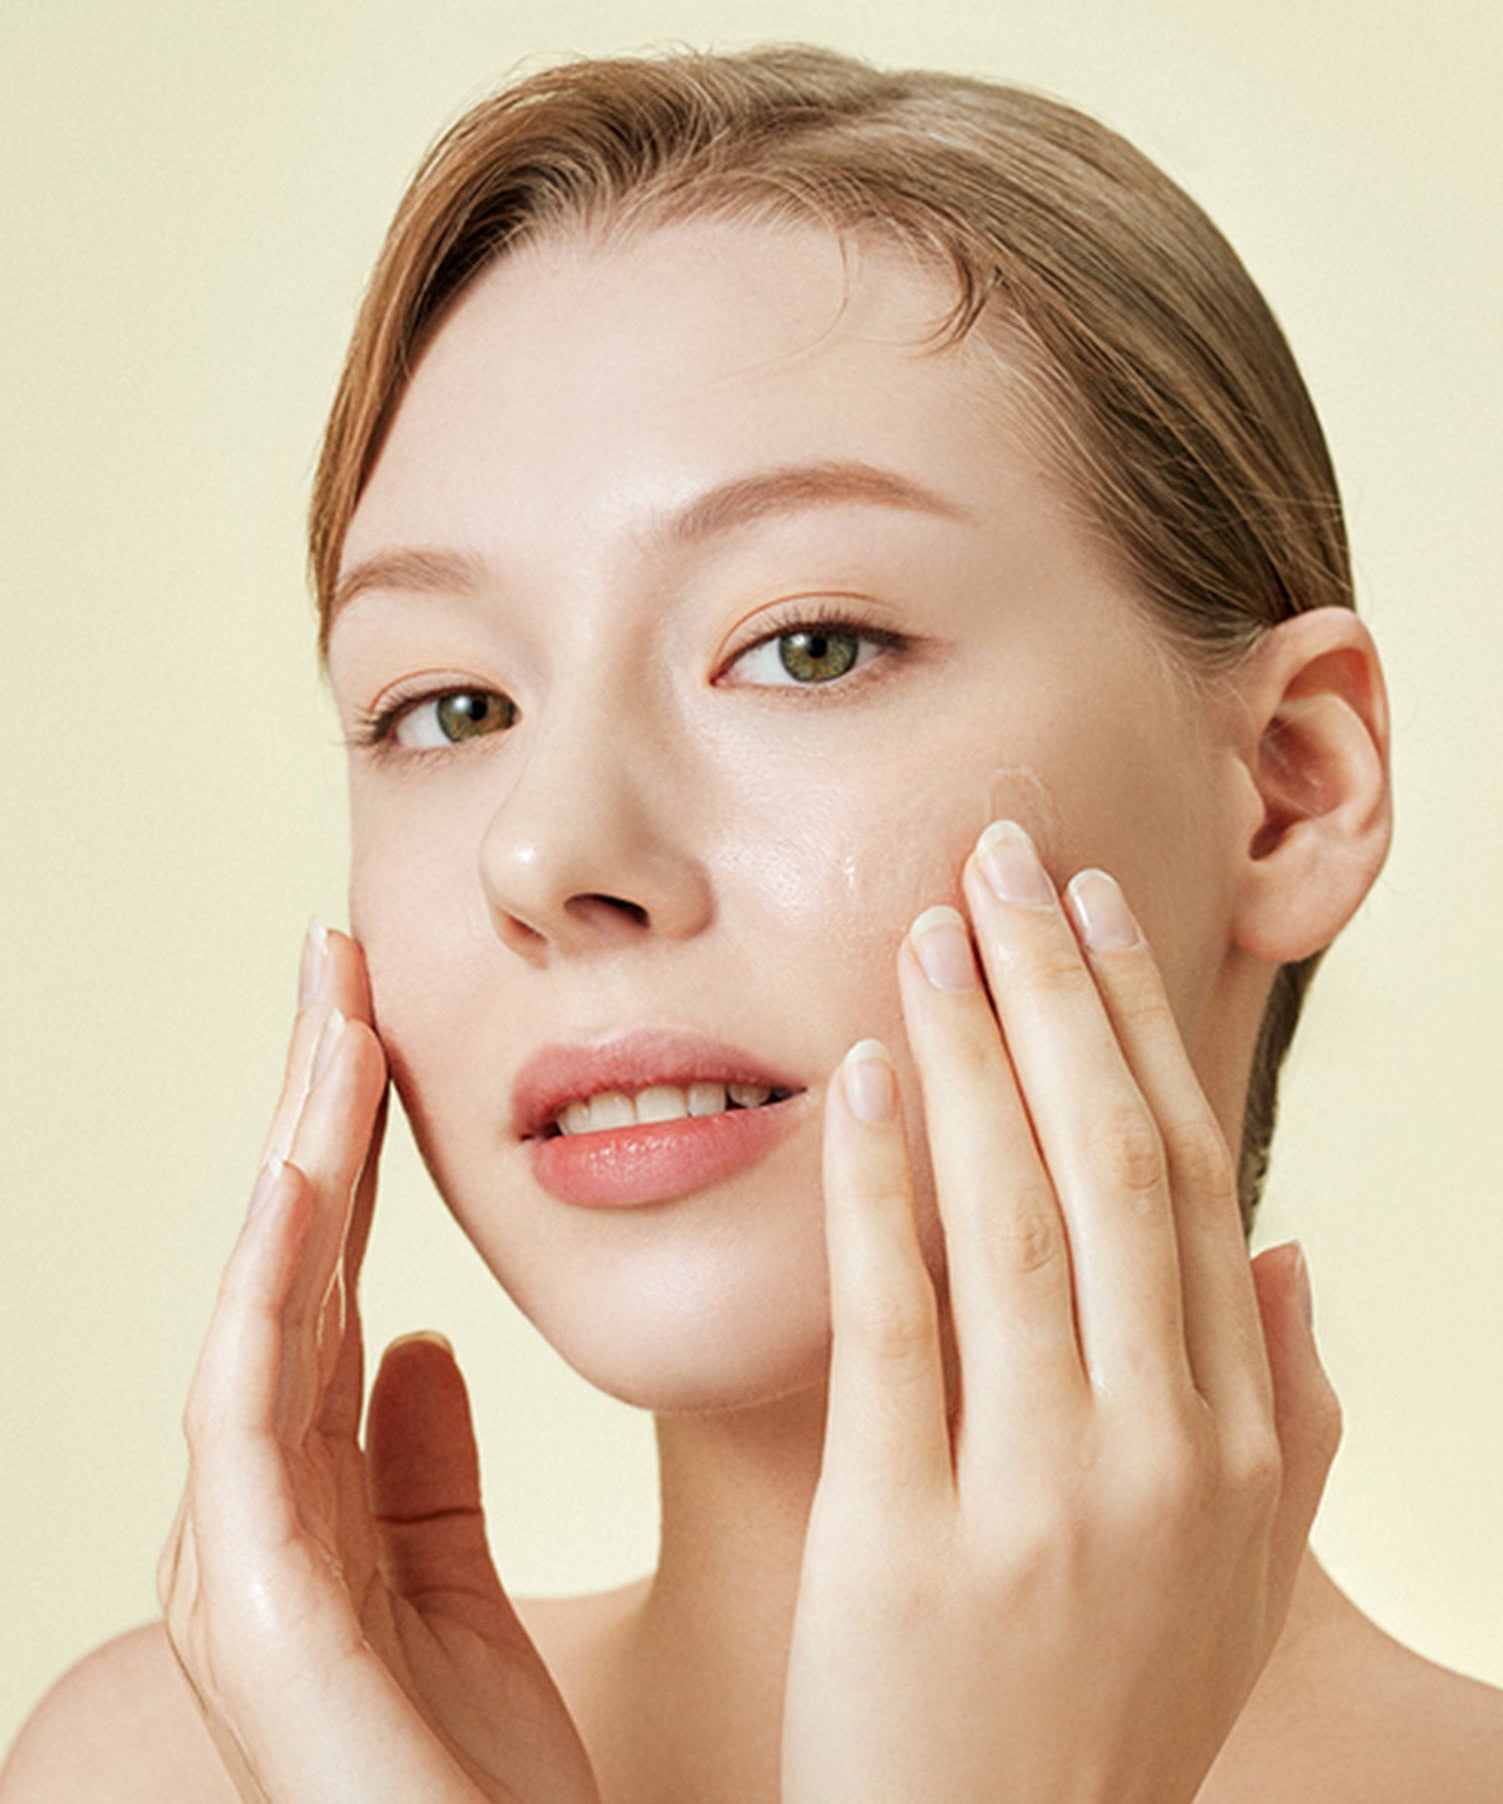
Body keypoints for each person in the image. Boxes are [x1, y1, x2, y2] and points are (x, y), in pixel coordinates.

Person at [3, 43, 1500, 1803]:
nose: (547, 852)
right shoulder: (168, 1771)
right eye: (451, 708)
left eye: (807, 645)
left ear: (1294, 786)